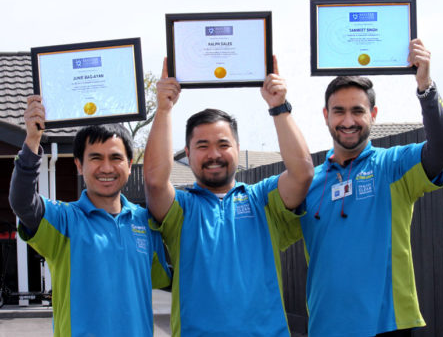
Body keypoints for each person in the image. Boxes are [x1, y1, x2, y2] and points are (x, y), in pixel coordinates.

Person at [143, 56, 314, 336]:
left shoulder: (263, 200)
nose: (214, 154)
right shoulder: (181, 210)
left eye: (223, 144)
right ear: (187, 153)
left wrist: (278, 106)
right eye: (202, 145)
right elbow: (154, 181)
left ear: (237, 147)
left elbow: (303, 174)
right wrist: (163, 109)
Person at [299, 39, 443, 336]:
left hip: (387, 325)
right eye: (339, 111)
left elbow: (442, 151)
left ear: (373, 114)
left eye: (358, 111)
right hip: (325, 326)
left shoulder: (392, 166)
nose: (348, 121)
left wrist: (425, 86)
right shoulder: (308, 183)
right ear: (326, 116)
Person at [9, 96, 171, 337]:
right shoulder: (64, 220)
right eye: (95, 158)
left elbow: (168, 279)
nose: (106, 168)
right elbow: (22, 202)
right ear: (78, 165)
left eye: (115, 158)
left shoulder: (146, 223)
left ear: (129, 165)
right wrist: (32, 140)